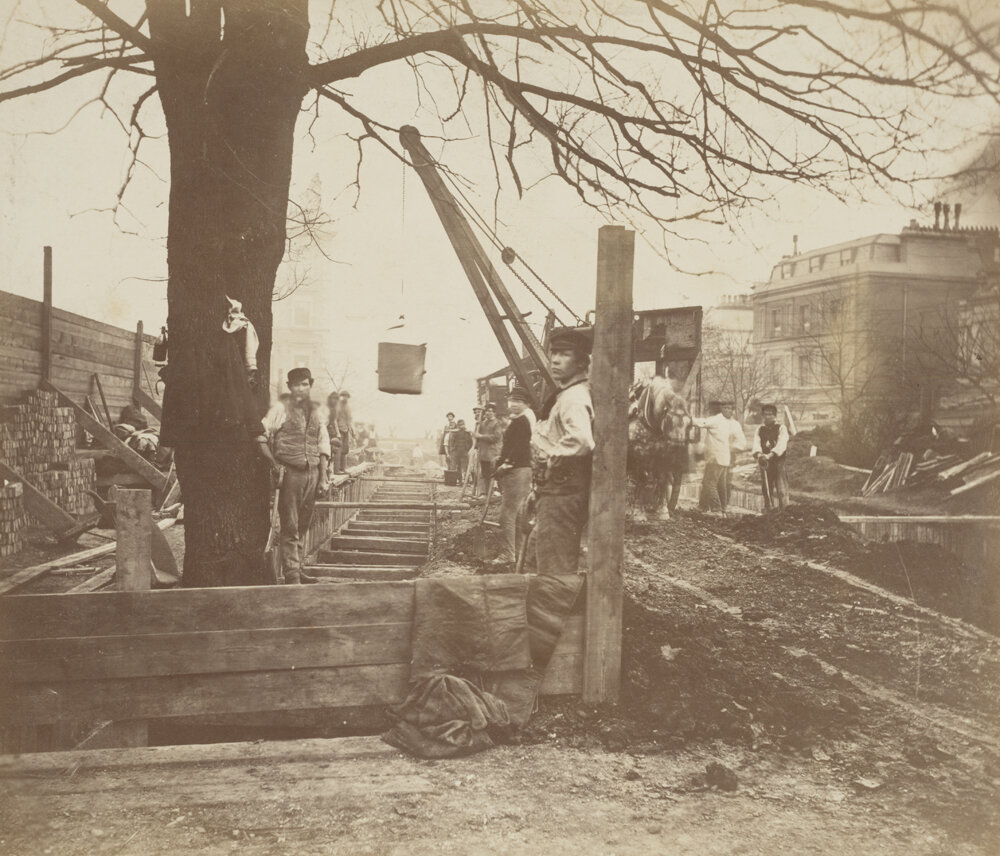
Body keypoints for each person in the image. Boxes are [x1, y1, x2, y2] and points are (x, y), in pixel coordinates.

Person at [258, 367, 330, 584]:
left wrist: (323, 477)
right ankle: (292, 575)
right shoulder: (280, 408)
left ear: (310, 385)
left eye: (304, 384)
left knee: (303, 524)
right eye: (296, 385)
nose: (300, 389)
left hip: (312, 473)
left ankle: (298, 568)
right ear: (289, 387)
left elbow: (323, 444)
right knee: (290, 525)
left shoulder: (316, 411)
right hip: (290, 473)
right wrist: (274, 464)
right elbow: (261, 436)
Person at [531, 327, 594, 575]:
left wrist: (550, 461)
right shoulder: (566, 394)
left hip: (562, 491)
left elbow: (581, 439)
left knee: (554, 567)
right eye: (554, 353)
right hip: (555, 489)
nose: (555, 360)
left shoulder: (574, 397)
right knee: (547, 559)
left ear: (581, 362)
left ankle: (555, 600)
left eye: (564, 354)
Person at [492, 386, 534, 565]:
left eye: (519, 401)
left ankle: (507, 555)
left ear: (526, 404)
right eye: (512, 401)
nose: (514, 404)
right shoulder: (517, 420)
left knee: (507, 515)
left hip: (517, 470)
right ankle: (517, 554)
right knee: (517, 514)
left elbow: (520, 446)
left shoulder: (522, 421)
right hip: (520, 469)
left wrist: (507, 463)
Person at [692, 400, 746, 515]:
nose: (727, 410)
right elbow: (700, 422)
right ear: (721, 408)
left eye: (729, 408)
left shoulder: (732, 423)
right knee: (716, 483)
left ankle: (717, 509)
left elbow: (742, 442)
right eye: (725, 408)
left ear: (733, 410)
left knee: (710, 483)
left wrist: (730, 448)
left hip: (720, 458)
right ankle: (704, 507)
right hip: (717, 456)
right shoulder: (718, 420)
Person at [752, 404, 790, 511]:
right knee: (766, 486)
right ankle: (769, 508)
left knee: (781, 487)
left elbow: (782, 443)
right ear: (762, 415)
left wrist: (770, 455)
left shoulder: (781, 428)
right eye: (765, 414)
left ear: (775, 415)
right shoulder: (760, 429)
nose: (768, 417)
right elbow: (756, 443)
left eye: (770, 414)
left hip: (778, 461)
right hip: (765, 462)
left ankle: (784, 509)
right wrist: (759, 454)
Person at [474, 402, 503, 497]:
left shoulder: (497, 423)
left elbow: (496, 437)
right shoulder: (482, 423)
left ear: (494, 413)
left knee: (496, 474)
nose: (488, 413)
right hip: (483, 453)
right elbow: (477, 436)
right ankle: (487, 494)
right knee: (485, 474)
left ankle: (501, 493)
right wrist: (476, 431)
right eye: (487, 411)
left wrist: (481, 436)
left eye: (490, 411)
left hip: (493, 453)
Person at [334, 390, 353, 473]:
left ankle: (343, 468)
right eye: (343, 396)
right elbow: (334, 420)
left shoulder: (347, 407)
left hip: (346, 430)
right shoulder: (337, 406)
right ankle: (336, 470)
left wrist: (351, 432)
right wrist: (337, 432)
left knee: (345, 449)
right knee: (338, 450)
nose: (345, 398)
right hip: (339, 430)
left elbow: (349, 420)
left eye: (347, 396)